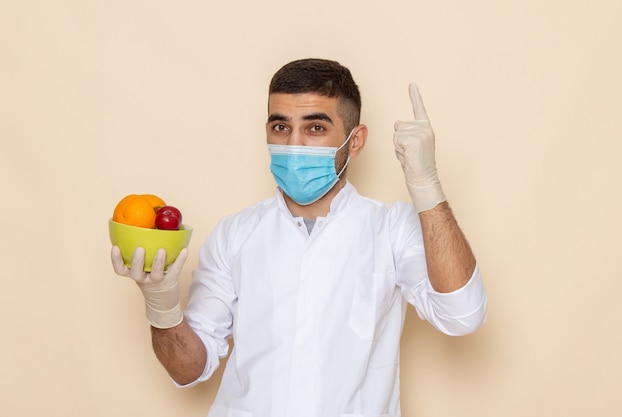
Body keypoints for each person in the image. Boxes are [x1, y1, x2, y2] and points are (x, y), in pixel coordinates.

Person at [111, 58, 487, 417]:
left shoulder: (391, 228)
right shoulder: (235, 234)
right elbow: (188, 370)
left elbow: (462, 315)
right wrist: (162, 308)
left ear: (355, 142)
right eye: (280, 127)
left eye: (315, 128)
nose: (293, 144)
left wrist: (426, 185)